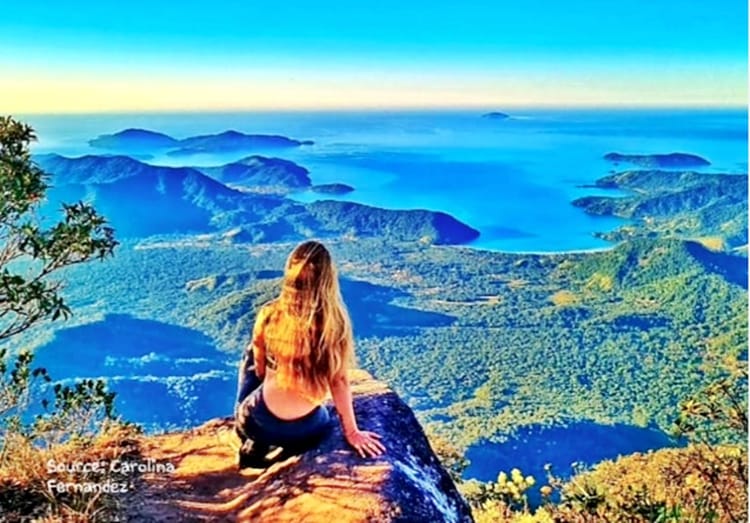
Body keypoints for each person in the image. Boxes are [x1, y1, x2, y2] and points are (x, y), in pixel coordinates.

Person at [235, 240, 385, 468]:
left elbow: (259, 365)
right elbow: (339, 382)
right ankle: (286, 452)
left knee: (252, 354)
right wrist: (352, 432)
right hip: (305, 430)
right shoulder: (334, 327)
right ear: (327, 280)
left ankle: (250, 436)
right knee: (324, 413)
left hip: (256, 421)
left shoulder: (270, 313)